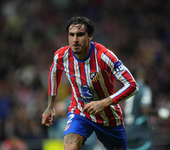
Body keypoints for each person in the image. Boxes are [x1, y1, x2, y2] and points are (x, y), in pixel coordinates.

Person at [42, 16, 138, 150]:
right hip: (80, 112)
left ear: (90, 36)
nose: (75, 40)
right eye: (71, 35)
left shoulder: (104, 56)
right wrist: (50, 105)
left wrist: (104, 102)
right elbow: (54, 73)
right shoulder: (61, 56)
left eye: (80, 35)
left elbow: (132, 85)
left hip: (108, 117)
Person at [124, 68, 154, 150]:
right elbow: (144, 109)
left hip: (127, 131)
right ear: (143, 76)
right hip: (139, 132)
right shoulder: (144, 89)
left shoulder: (128, 90)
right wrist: (158, 113)